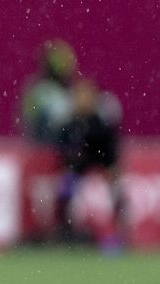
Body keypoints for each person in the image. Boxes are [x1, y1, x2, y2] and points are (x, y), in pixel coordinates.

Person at [56, 78, 122, 251]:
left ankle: (110, 237)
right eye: (79, 96)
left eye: (85, 96)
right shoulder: (69, 125)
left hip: (98, 175)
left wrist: (108, 174)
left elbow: (110, 156)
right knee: (66, 189)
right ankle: (69, 235)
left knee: (103, 198)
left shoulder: (100, 125)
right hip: (77, 176)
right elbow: (64, 154)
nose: (82, 100)